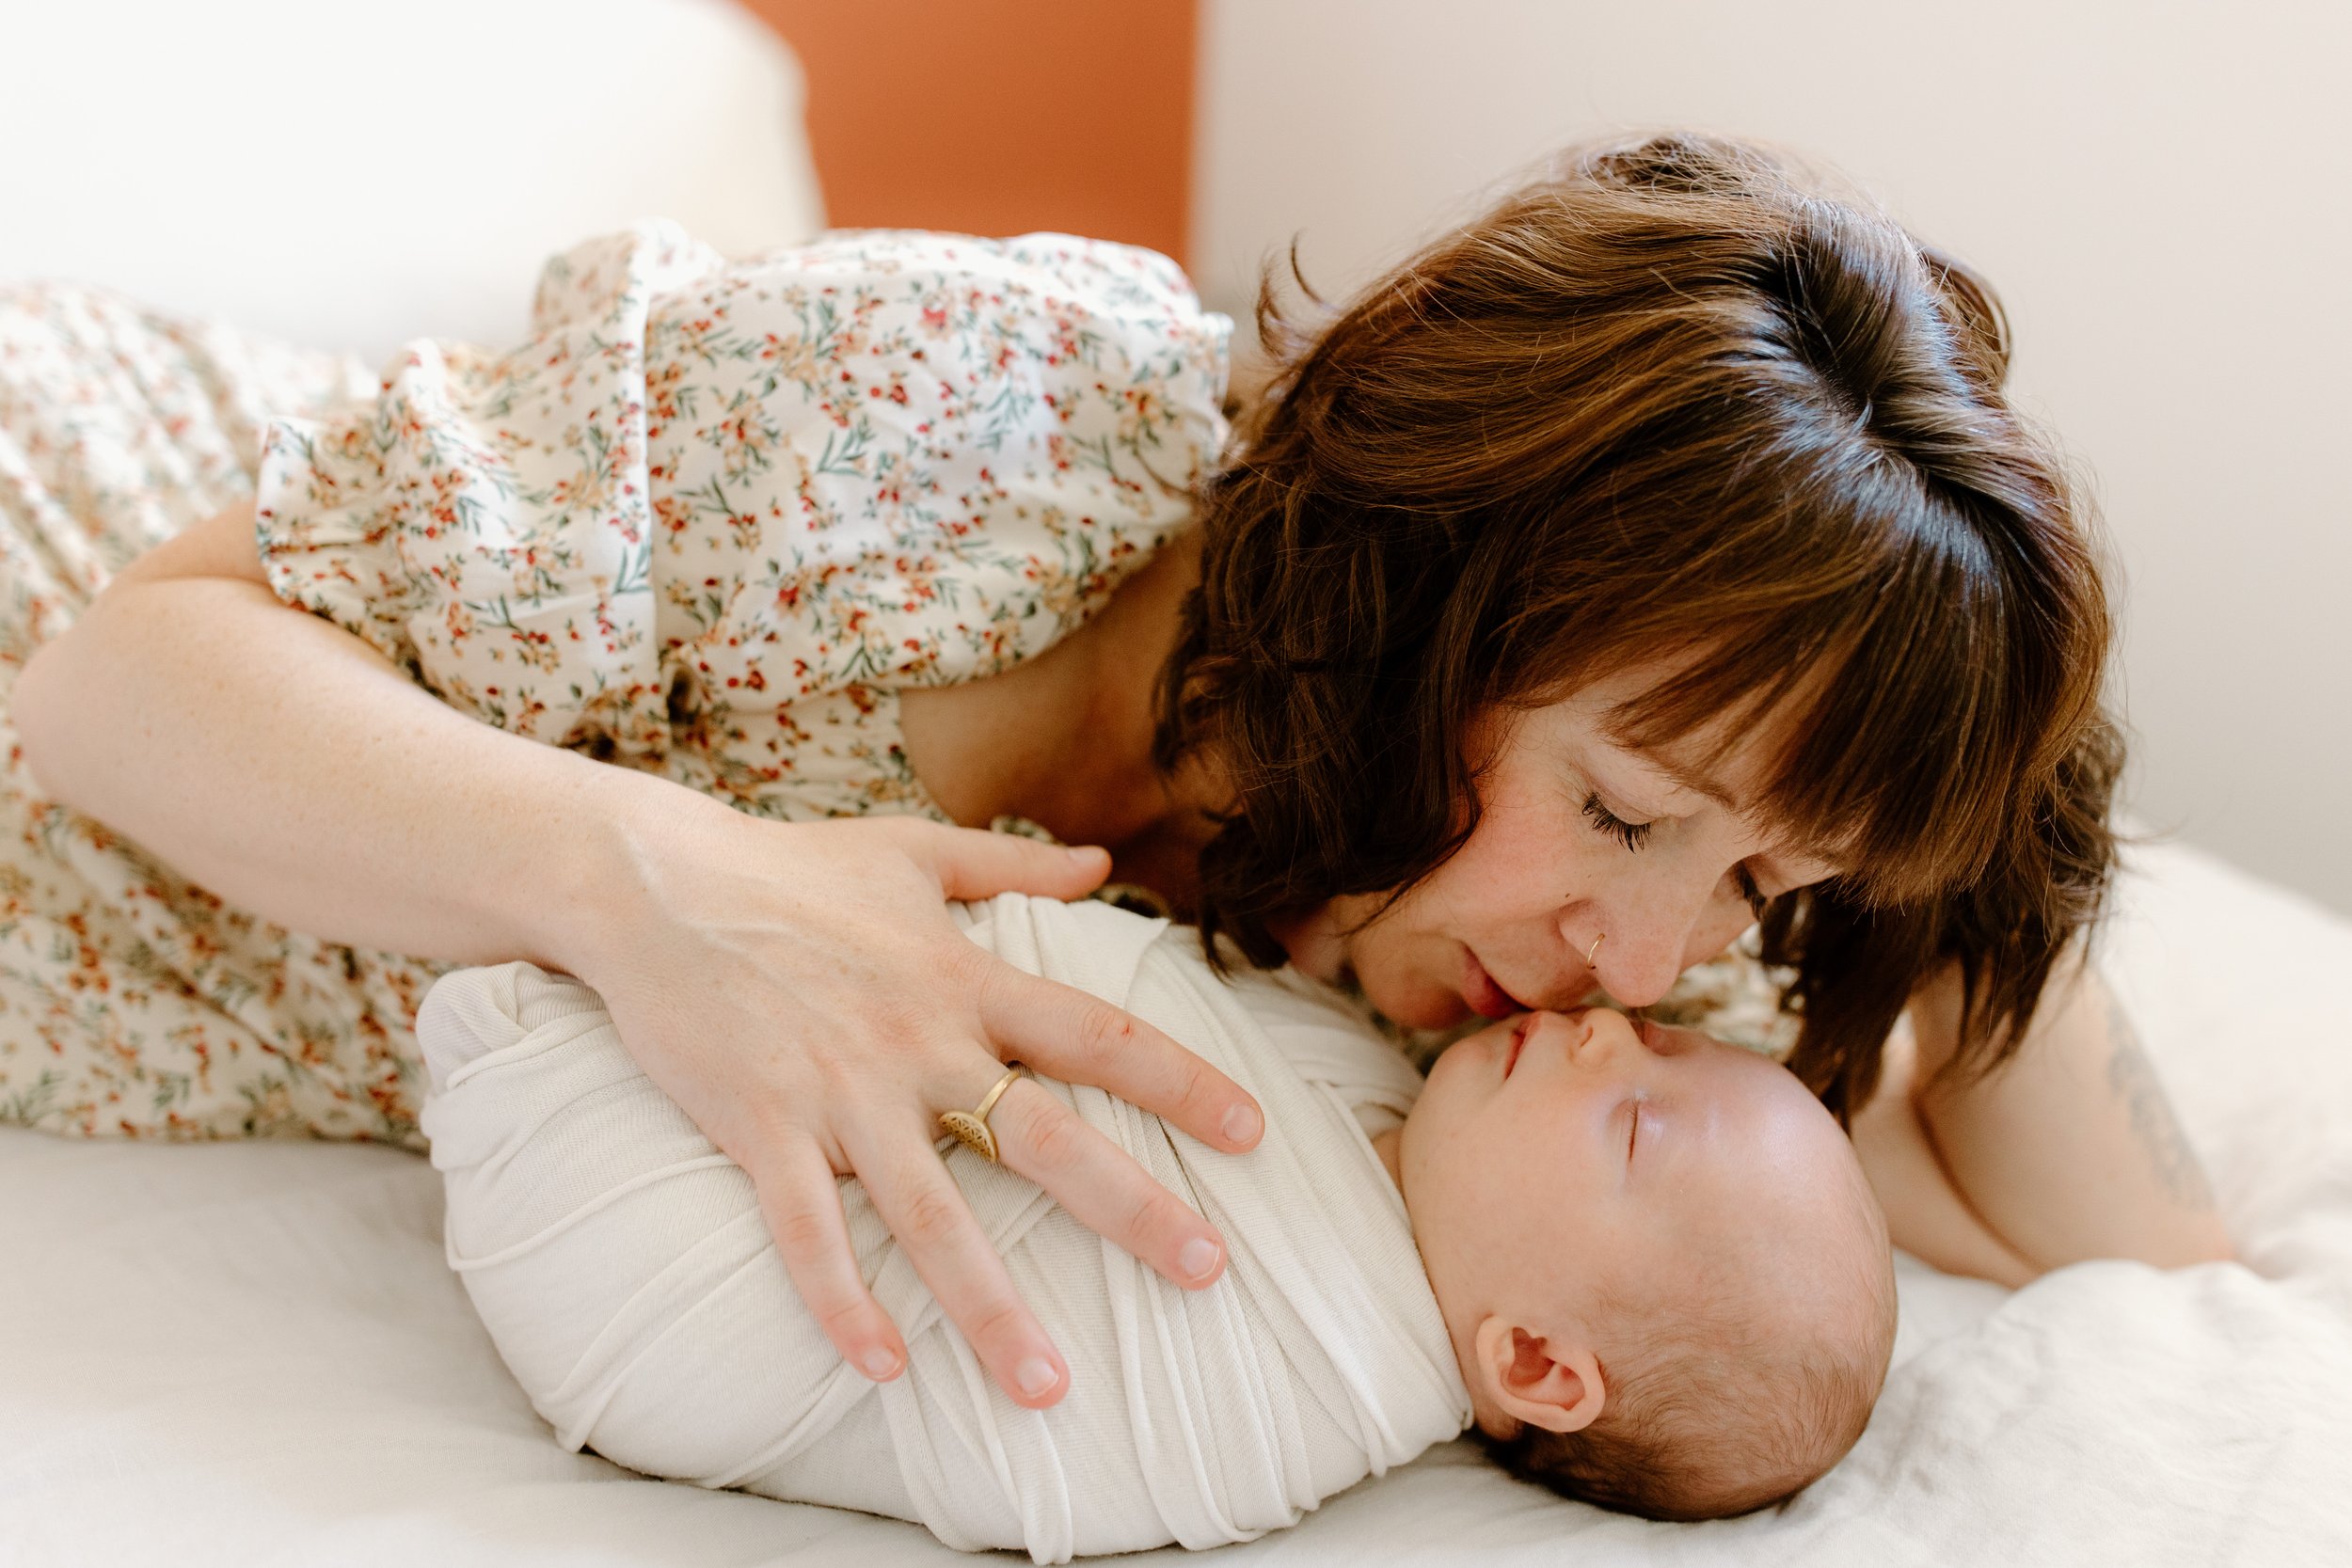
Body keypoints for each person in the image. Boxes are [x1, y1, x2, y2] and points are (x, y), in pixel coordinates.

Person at [4, 132, 2228, 1416]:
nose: (1637, 958)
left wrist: (1985, 819)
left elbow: (2133, 1254)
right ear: (1429, 583)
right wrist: (652, 886)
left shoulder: (1557, 986)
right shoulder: (977, 418)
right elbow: (123, 680)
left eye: (1762, 882)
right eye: (1629, 811)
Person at [418, 892, 1895, 1560]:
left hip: (643, 1288)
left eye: (1637, 1119)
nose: (1608, 1031)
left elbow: (1050, 1458)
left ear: (1539, 1366)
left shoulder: (1297, 1387)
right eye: (1667, 1041)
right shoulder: (1398, 1106)